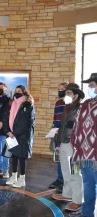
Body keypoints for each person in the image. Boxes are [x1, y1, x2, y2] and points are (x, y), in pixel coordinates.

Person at [52, 83, 84, 212]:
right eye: (66, 93)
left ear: (76, 95)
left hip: (74, 145)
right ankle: (67, 193)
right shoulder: (67, 108)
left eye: (69, 93)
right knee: (65, 170)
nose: (66, 95)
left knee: (75, 173)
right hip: (64, 143)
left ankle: (77, 201)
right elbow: (62, 127)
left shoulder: (81, 109)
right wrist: (59, 143)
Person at [69, 73, 97, 217]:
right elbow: (77, 125)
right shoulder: (86, 104)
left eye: (93, 85)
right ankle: (87, 213)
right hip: (84, 154)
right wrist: (75, 143)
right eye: (89, 85)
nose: (90, 88)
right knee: (88, 185)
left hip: (95, 154)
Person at [3, 85, 35, 188]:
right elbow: (7, 118)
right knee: (14, 156)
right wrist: (8, 131)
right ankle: (14, 176)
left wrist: (14, 133)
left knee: (21, 157)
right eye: (16, 91)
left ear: (24, 92)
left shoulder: (28, 105)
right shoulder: (12, 104)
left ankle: (22, 179)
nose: (17, 92)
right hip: (12, 134)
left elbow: (25, 123)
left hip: (22, 136)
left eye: (19, 91)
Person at [49, 82, 69, 192]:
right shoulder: (58, 103)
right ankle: (59, 179)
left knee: (65, 159)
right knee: (58, 157)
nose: (60, 91)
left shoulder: (69, 104)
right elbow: (55, 118)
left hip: (65, 135)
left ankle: (66, 181)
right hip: (57, 133)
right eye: (59, 89)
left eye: (62, 89)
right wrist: (53, 131)